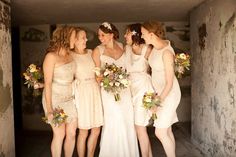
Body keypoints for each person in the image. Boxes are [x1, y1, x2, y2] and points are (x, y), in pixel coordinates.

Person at [92, 22, 139, 157]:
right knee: (114, 120)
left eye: (103, 35)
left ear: (111, 35)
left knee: (126, 119)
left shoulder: (122, 46)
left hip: (124, 91)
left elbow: (129, 67)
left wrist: (120, 80)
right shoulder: (97, 51)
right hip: (108, 92)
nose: (100, 38)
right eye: (99, 35)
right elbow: (97, 76)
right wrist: (110, 82)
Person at [141, 21, 181, 157]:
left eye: (143, 34)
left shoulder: (166, 53)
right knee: (167, 130)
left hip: (169, 94)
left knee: (160, 132)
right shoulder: (152, 49)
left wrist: (156, 102)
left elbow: (169, 83)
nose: (142, 36)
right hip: (159, 93)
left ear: (151, 34)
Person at [42, 26, 77, 157]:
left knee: (72, 133)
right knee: (60, 134)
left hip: (70, 98)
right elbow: (48, 84)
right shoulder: (51, 57)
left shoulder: (71, 55)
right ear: (66, 38)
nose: (75, 39)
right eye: (74, 36)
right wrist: (50, 109)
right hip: (55, 99)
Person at [71, 27, 104, 157]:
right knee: (83, 131)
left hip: (95, 89)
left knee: (96, 129)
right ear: (75, 40)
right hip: (82, 92)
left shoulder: (91, 52)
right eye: (83, 37)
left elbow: (98, 70)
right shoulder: (70, 55)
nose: (86, 39)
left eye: (86, 37)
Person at [124, 23, 153, 157]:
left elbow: (157, 70)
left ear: (135, 34)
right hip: (130, 92)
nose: (124, 36)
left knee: (140, 128)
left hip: (143, 91)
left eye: (127, 33)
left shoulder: (148, 49)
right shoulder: (127, 49)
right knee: (137, 128)